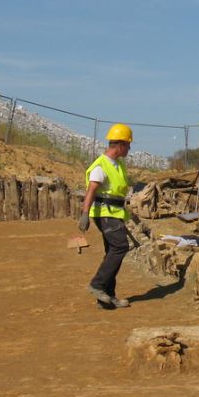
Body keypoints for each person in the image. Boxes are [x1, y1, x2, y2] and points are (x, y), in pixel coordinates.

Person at [79, 123, 134, 309]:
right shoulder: (100, 165)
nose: (129, 148)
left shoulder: (119, 164)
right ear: (120, 145)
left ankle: (107, 298)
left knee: (112, 251)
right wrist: (85, 214)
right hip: (104, 213)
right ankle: (97, 285)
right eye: (128, 145)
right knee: (120, 247)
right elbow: (91, 190)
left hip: (115, 213)